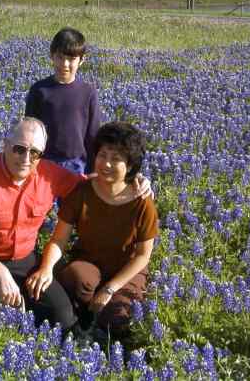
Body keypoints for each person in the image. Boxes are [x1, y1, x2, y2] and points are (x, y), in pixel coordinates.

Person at [0, 117, 151, 331]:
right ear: (5, 145)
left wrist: (132, 178)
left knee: (62, 317)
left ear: (41, 154)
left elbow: (91, 184)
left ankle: (25, 306)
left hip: (23, 259)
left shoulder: (50, 174)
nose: (26, 158)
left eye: (34, 152)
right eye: (19, 149)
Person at [26, 121, 159, 339]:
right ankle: (85, 318)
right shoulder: (82, 191)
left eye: (116, 159)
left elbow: (143, 255)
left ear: (131, 165)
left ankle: (103, 322)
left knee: (118, 317)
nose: (106, 163)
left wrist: (110, 289)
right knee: (78, 279)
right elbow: (59, 239)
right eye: (102, 155)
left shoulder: (142, 201)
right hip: (88, 263)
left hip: (126, 270)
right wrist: (46, 268)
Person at [24, 27, 100, 174]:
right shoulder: (39, 90)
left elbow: (93, 135)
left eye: (71, 59)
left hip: (77, 165)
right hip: (44, 164)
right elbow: (29, 131)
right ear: (51, 56)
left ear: (82, 60)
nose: (65, 64)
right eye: (60, 57)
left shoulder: (88, 92)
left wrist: (92, 170)